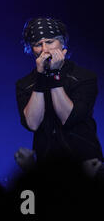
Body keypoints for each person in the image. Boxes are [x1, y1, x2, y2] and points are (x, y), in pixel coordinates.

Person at [15, 17, 103, 164]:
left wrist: (55, 75)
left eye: (49, 42)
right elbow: (32, 123)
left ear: (62, 43)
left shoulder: (84, 77)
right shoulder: (25, 84)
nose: (44, 49)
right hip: (48, 165)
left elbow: (67, 117)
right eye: (38, 44)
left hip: (85, 164)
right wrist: (42, 77)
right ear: (31, 50)